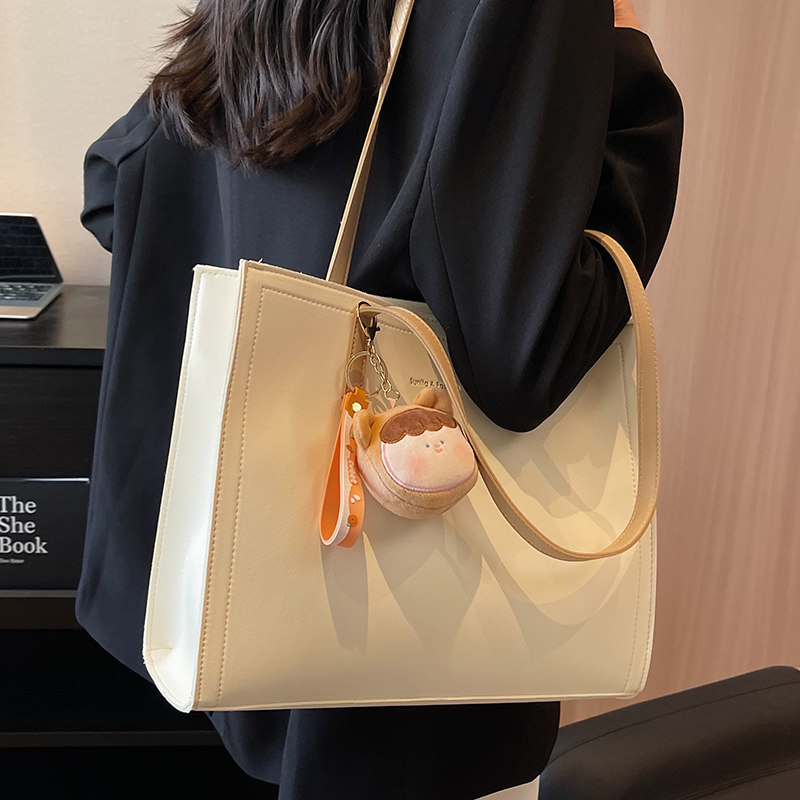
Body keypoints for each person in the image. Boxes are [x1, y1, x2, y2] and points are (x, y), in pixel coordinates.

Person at [77, 0, 682, 797]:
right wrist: (627, 54)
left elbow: (111, 182)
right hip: (407, 664)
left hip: (239, 592)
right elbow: (524, 354)